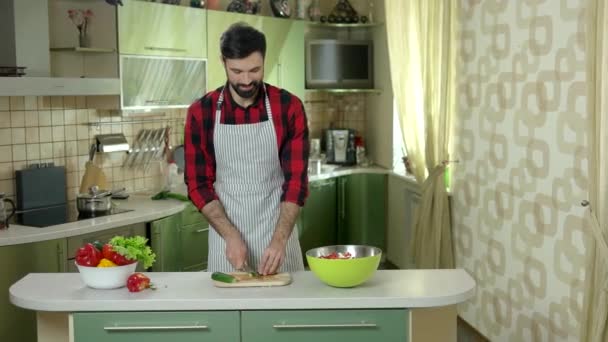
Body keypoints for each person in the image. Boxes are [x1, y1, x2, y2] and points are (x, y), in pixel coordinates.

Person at [184, 22, 309, 275]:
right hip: (227, 242)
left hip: (278, 239)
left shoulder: (288, 107)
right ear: (223, 62)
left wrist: (279, 240)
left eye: (254, 70)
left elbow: (296, 181)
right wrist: (230, 235)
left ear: (264, 60)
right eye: (237, 71)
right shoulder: (202, 112)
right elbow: (198, 185)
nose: (246, 80)